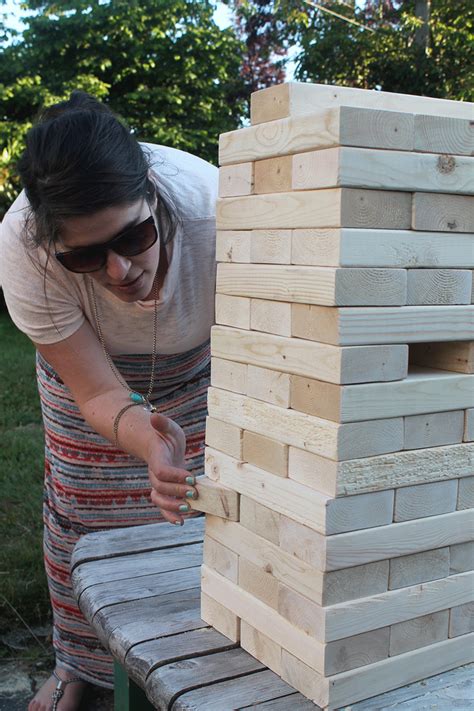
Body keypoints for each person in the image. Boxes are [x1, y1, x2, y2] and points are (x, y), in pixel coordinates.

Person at [0, 91, 218, 710]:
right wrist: (145, 434)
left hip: (199, 354)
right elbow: (96, 389)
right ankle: (79, 666)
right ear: (52, 243)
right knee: (82, 511)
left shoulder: (219, 213)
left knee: (196, 504)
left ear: (152, 194)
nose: (120, 270)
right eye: (86, 255)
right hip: (90, 362)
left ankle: (193, 639)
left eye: (134, 236)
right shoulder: (22, 246)